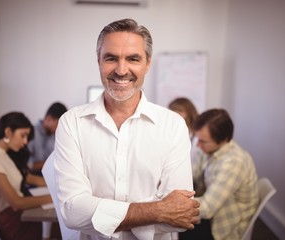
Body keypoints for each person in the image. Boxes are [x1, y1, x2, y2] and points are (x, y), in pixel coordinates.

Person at [49, 18, 199, 239]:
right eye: (111, 58)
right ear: (98, 61)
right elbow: (72, 212)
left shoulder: (173, 125)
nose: (121, 70)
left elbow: (179, 217)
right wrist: (158, 210)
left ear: (148, 63)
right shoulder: (71, 123)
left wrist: (100, 213)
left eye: (133, 59)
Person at [0, 112, 56, 240]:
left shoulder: (2, 153)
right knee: (58, 228)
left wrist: (55, 184)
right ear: (8, 132)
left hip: (17, 215)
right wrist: (54, 196)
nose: (25, 142)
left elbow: (27, 178)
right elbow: (17, 203)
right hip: (11, 222)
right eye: (23, 136)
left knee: (58, 227)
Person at [180, 109, 259, 240]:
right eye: (197, 138)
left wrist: (172, 205)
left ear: (223, 140)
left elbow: (207, 208)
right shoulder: (209, 148)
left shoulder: (234, 163)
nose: (198, 145)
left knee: (173, 231)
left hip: (222, 226)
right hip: (211, 210)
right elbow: (192, 173)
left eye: (203, 141)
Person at [28, 102, 67, 173]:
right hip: (32, 176)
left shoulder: (54, 135)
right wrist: (47, 163)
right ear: (48, 119)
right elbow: (27, 166)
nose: (59, 128)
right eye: (58, 124)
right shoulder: (30, 133)